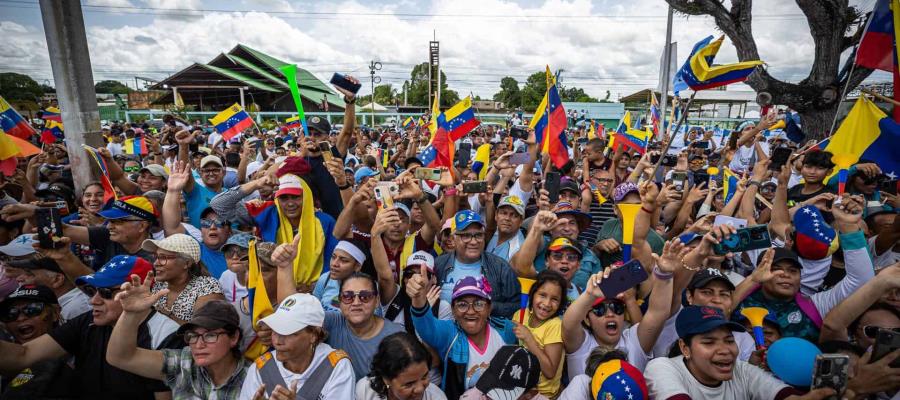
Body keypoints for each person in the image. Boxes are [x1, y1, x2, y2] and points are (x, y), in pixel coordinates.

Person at [0, 256, 182, 400]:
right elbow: (23, 357)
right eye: (90, 290)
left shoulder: (166, 334)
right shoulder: (89, 321)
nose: (93, 300)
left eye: (105, 293)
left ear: (141, 293)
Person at [107, 271, 249, 400]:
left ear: (234, 337)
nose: (199, 345)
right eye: (193, 336)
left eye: (210, 336)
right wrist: (131, 313)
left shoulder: (253, 377)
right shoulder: (183, 362)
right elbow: (121, 357)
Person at [644, 305, 833, 400]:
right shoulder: (662, 367)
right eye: (709, 342)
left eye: (729, 340)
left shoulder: (742, 370)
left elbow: (785, 396)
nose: (725, 350)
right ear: (685, 348)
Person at [561, 238, 681, 378]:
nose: (610, 313)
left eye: (617, 307)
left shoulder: (634, 341)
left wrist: (665, 274)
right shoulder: (581, 344)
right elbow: (568, 325)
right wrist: (590, 295)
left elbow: (658, 312)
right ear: (587, 320)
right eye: (600, 309)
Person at [407, 274, 517, 399]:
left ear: (489, 308)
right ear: (453, 310)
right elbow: (426, 327)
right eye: (462, 305)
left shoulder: (506, 329)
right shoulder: (449, 333)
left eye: (479, 304)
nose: (470, 311)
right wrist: (418, 300)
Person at [238, 293, 355, 400]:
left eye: (287, 332)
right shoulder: (260, 368)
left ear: (314, 335)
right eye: (275, 330)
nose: (277, 341)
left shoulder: (336, 366)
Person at [434, 210, 520, 318]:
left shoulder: (501, 267)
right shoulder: (439, 264)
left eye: (478, 235)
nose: (473, 242)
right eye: (466, 235)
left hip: (487, 332)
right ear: (453, 239)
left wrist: (491, 307)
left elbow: (517, 307)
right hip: (444, 333)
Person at [0, 284, 78, 400]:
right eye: (11, 313)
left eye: (32, 309)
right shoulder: (5, 360)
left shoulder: (82, 352)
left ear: (56, 313)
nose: (21, 318)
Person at [142, 233, 225, 323]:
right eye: (156, 257)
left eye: (163, 257)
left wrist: (163, 314)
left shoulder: (207, 286)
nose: (155, 263)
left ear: (187, 263)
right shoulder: (157, 285)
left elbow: (203, 329)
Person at [512, 270, 567, 398]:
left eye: (554, 299)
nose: (547, 304)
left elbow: (550, 371)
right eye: (542, 295)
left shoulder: (555, 325)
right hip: (518, 386)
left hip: (542, 394)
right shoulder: (520, 315)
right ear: (532, 294)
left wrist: (529, 339)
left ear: (560, 303)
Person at [356, 332, 447, 400]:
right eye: (409, 384)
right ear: (386, 379)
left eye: (424, 377)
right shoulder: (365, 391)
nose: (420, 389)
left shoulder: (436, 397)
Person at [6, 255, 90, 323]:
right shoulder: (72, 303)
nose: (19, 278)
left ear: (57, 280)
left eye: (30, 274)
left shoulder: (77, 307)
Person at [312, 240, 368, 312]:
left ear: (357, 266)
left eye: (344, 260)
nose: (334, 264)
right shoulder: (325, 279)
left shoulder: (368, 289)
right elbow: (313, 310)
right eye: (333, 257)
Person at [484, 195, 526, 260]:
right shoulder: (498, 231)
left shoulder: (517, 251)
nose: (507, 218)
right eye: (503, 213)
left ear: (521, 221)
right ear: (496, 215)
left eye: (514, 215)